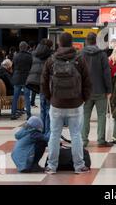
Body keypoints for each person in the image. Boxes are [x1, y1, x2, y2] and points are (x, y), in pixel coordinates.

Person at [41, 32, 92, 175]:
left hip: (56, 103)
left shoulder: (51, 60)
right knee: (76, 134)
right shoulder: (79, 59)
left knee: (54, 134)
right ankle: (79, 166)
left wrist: (50, 98)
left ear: (59, 43)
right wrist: (83, 99)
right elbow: (87, 81)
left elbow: (43, 81)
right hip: (75, 104)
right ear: (72, 43)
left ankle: (51, 166)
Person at [80, 32, 113, 148]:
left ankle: (83, 140)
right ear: (96, 41)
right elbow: (106, 73)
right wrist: (109, 89)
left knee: (85, 115)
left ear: (86, 41)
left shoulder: (81, 54)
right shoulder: (102, 54)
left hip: (85, 91)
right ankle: (101, 140)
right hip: (100, 90)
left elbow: (78, 73)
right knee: (101, 115)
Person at [26, 38, 53, 135]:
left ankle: (42, 130)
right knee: (49, 110)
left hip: (40, 85)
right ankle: (48, 132)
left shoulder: (34, 54)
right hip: (49, 86)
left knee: (42, 109)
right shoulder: (51, 56)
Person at [11, 42, 32, 120]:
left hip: (17, 78)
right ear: (26, 48)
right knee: (27, 97)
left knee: (15, 97)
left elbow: (13, 67)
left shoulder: (15, 56)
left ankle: (13, 114)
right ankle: (29, 115)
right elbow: (31, 67)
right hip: (26, 79)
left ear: (19, 47)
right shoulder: (29, 56)